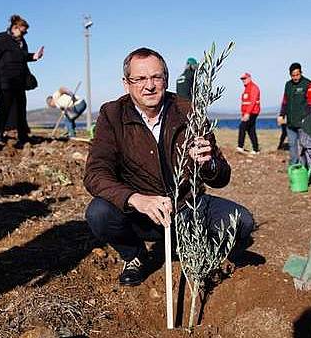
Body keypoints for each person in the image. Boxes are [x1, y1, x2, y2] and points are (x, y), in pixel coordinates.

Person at [84, 48, 255, 286]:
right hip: (140, 214)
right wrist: (136, 198)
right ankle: (134, 256)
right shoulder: (112, 115)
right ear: (126, 83)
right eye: (140, 79)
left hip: (187, 207)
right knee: (99, 213)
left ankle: (188, 246)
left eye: (156, 77)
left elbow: (222, 177)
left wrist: (208, 164)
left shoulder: (188, 111)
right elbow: (95, 173)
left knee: (242, 221)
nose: (149, 85)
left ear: (166, 78)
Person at [0, 14, 44, 149]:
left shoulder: (22, 42)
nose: (24, 34)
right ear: (15, 27)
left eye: (25, 32)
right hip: (4, 81)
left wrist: (33, 56)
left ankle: (23, 137)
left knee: (21, 108)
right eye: (23, 31)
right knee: (5, 108)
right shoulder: (1, 39)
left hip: (19, 81)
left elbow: (22, 57)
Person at [279, 62, 311, 164]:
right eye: (293, 75)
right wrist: (281, 115)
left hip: (303, 123)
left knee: (304, 145)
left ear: (301, 72)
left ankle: (305, 166)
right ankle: (294, 166)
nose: (295, 77)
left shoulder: (309, 84)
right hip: (290, 122)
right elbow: (285, 101)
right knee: (292, 145)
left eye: (297, 75)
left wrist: (306, 118)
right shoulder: (288, 85)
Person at [236, 72, 261, 154]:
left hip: (252, 112)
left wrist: (247, 113)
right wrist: (244, 113)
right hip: (247, 113)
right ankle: (256, 149)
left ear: (249, 78)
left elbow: (253, 102)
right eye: (242, 79)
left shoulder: (254, 87)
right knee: (251, 130)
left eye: (245, 78)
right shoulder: (246, 89)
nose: (243, 80)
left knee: (242, 127)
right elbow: (245, 103)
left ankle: (240, 146)